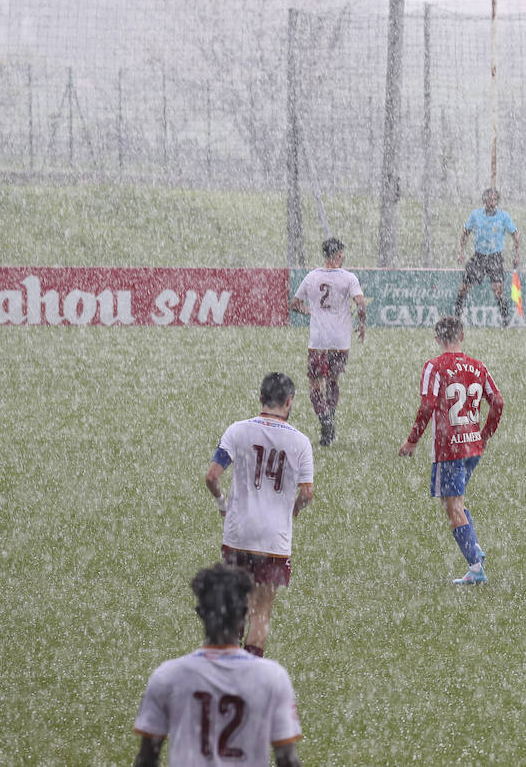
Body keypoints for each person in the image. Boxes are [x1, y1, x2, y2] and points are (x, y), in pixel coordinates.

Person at [133, 564, 303, 767]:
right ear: (244, 612)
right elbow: (287, 760)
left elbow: (147, 759)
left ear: (200, 613)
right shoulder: (272, 678)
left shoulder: (168, 676)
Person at [204, 372, 315, 656]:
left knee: (234, 605)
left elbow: (212, 476)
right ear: (289, 401)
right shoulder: (300, 442)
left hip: (239, 533)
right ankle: (249, 670)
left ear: (260, 399)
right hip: (273, 539)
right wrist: (293, 511)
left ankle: (227, 663)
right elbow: (307, 493)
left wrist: (222, 504)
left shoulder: (238, 430)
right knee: (261, 610)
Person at [399, 316, 504, 585]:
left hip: (450, 448)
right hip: (472, 446)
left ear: (437, 339)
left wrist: (412, 441)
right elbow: (498, 402)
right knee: (455, 501)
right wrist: (486, 435)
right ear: (462, 336)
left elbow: (426, 406)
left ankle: (475, 562)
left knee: (452, 507)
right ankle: (474, 549)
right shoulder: (478, 366)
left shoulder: (434, 367)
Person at [290, 237, 368, 447]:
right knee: (333, 380)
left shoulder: (311, 277)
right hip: (340, 341)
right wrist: (361, 325)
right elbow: (360, 303)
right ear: (339, 254)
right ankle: (330, 416)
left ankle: (324, 416)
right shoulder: (348, 278)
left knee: (315, 383)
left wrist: (310, 311)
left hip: (319, 340)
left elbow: (295, 304)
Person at [453, 187, 522, 327]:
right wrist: (461, 252)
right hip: (479, 257)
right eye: (489, 199)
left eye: (494, 199)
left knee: (498, 289)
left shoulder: (503, 217)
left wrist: (517, 254)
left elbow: (515, 235)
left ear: (497, 201)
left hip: (494, 257)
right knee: (463, 287)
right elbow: (465, 233)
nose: (491, 201)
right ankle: (456, 318)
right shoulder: (476, 215)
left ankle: (505, 320)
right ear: (484, 200)